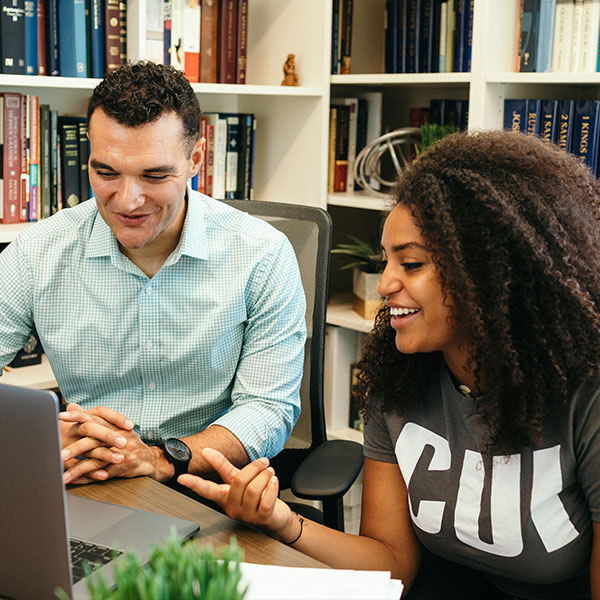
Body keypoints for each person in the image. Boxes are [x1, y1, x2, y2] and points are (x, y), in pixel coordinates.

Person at [179, 129, 600, 600]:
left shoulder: (585, 397)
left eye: (412, 264)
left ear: (488, 271)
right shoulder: (397, 379)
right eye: (386, 261)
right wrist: (281, 519)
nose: (384, 285)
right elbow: (391, 564)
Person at [0, 61, 306, 487]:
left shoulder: (262, 254)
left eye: (154, 175)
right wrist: (42, 434)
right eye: (105, 172)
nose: (126, 201)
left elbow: (269, 409)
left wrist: (161, 460)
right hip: (85, 476)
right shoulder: (35, 254)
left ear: (195, 158)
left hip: (206, 484)